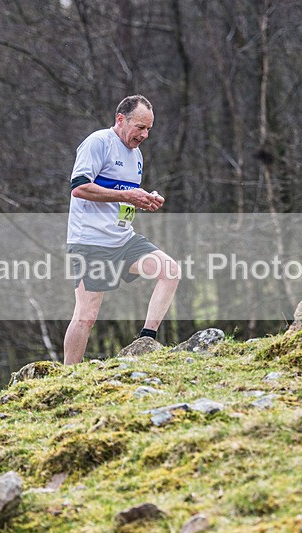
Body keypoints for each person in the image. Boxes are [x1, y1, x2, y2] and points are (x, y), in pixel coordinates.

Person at [64, 95, 180, 364]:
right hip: (90, 241)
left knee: (170, 271)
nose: (145, 135)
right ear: (120, 119)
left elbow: (123, 197)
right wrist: (128, 196)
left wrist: (144, 199)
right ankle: (68, 375)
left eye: (149, 129)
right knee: (86, 315)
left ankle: (145, 342)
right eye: (140, 127)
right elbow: (79, 188)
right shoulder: (98, 142)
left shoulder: (136, 155)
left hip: (123, 239)